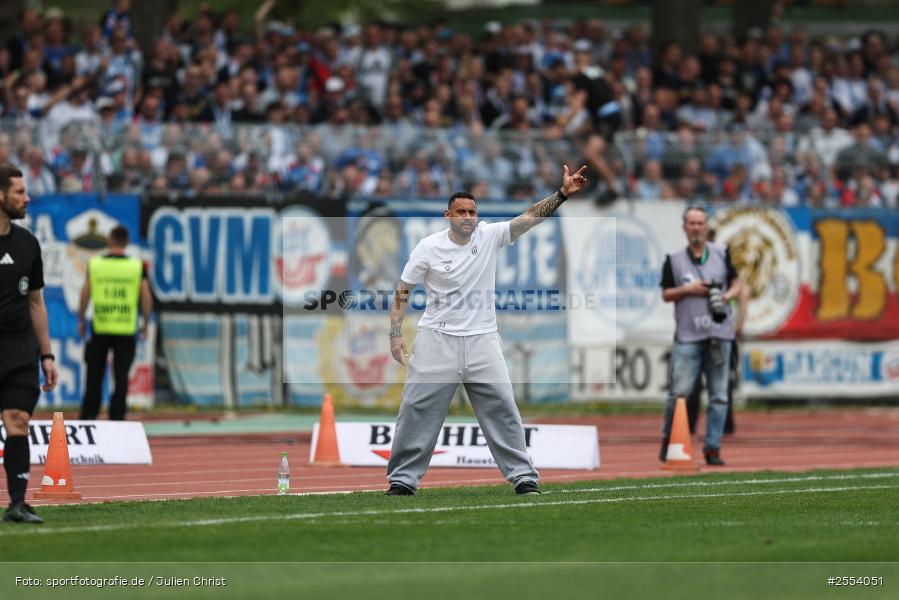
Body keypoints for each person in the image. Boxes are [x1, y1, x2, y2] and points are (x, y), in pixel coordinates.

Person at [385, 165, 588, 496]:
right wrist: (395, 333)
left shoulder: (489, 236)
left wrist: (562, 194)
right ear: (448, 215)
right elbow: (403, 290)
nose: (468, 217)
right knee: (416, 410)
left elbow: (530, 217)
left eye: (472, 212)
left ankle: (523, 476)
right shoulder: (428, 247)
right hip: (437, 338)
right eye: (461, 211)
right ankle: (403, 480)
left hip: (482, 340)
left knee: (503, 406)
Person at [659, 206, 742, 466]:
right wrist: (689, 289)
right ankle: (670, 440)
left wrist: (726, 296)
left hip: (719, 333)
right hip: (688, 335)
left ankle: (713, 448)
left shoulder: (722, 253)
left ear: (706, 227)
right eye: (691, 223)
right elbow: (665, 294)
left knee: (719, 395)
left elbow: (737, 283)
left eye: (700, 222)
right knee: (679, 393)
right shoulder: (674, 259)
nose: (696, 227)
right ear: (685, 227)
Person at [0, 163, 58, 524]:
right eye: (20, 192)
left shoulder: (28, 244)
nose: (27, 197)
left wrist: (47, 354)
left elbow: (35, 302)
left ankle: (17, 504)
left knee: (17, 419)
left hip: (20, 349)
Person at [77, 225, 152, 420]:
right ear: (126, 243)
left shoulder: (96, 264)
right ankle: (117, 419)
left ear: (109, 240)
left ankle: (88, 418)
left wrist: (81, 319)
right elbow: (145, 296)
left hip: (100, 327)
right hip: (126, 329)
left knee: (94, 377)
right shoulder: (136, 266)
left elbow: (85, 293)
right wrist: (145, 322)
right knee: (121, 379)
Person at [685, 228, 748, 435]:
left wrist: (737, 326)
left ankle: (696, 425)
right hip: (709, 331)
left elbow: (742, 294)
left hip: (715, 331)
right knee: (713, 381)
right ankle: (719, 425)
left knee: (711, 381)